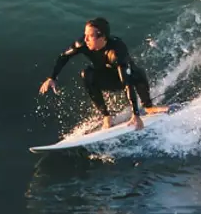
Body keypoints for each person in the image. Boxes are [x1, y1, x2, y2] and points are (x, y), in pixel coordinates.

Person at [39, 17, 167, 130]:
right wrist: (52, 77)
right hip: (106, 78)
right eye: (85, 35)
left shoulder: (116, 51)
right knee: (87, 74)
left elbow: (126, 82)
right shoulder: (82, 44)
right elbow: (63, 57)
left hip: (127, 78)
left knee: (137, 73)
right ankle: (106, 116)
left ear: (102, 37)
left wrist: (136, 114)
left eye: (90, 36)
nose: (86, 39)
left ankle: (148, 107)